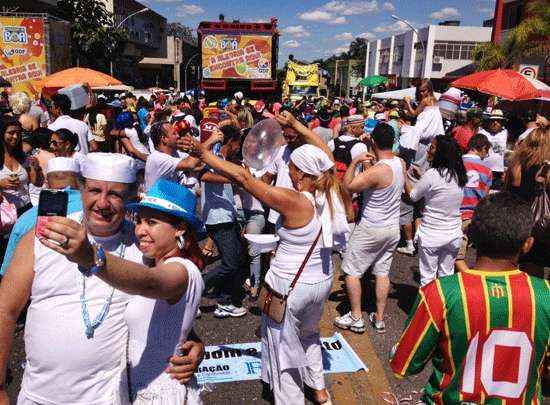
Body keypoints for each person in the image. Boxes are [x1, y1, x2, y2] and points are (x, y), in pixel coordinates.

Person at [0, 153, 204, 405]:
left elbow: (159, 295)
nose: (103, 203)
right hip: (39, 395)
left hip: (108, 398)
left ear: (130, 196)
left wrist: (190, 340)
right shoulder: (42, 236)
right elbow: (5, 310)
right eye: (95, 190)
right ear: (81, 189)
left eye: (115, 194)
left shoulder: (143, 245)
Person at [184, 133, 350, 404]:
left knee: (282, 351)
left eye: (291, 168)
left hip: (290, 287)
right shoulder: (332, 192)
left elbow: (244, 179)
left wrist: (205, 156)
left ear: (299, 173)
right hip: (321, 280)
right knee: (309, 335)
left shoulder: (296, 201)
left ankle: (291, 400)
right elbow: (326, 159)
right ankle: (319, 390)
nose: (289, 172)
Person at [390, 192, 550, 404]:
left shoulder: (441, 292)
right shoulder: (545, 293)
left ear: (471, 237)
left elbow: (404, 362)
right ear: (527, 244)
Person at [334, 123, 405, 334]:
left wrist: (355, 161)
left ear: (372, 141)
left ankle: (356, 317)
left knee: (351, 271)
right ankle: (380, 319)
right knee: (382, 272)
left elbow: (348, 185)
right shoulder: (400, 163)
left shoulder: (378, 170)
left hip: (372, 227)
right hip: (392, 227)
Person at [0, 157, 81, 277]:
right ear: (79, 182)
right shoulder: (96, 212)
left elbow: (7, 271)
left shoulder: (26, 220)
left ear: (46, 183)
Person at [405, 135, 467, 286]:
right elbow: (442, 189)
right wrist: (423, 177)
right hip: (453, 234)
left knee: (427, 278)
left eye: (432, 147)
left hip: (432, 234)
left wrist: (403, 175)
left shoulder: (432, 174)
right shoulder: (459, 174)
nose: (428, 150)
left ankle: (428, 309)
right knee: (446, 276)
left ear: (440, 153)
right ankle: (446, 307)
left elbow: (413, 196)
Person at [506, 126, 550, 277]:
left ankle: (533, 297)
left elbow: (511, 192)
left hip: (525, 222)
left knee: (530, 264)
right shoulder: (546, 168)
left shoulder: (517, 164)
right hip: (546, 223)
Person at [455, 134, 492, 273]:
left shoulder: (456, 163)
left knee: (454, 255)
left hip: (454, 212)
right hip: (472, 215)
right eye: (486, 151)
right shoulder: (487, 171)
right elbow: (485, 197)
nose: (485, 155)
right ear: (482, 148)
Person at [0, 119, 41, 216]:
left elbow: (36, 183)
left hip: (26, 208)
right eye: (11, 133)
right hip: (5, 213)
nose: (15, 136)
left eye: (18, 133)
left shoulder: (23, 157)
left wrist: (36, 169)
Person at [144, 122, 199, 191]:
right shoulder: (157, 158)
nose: (178, 136)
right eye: (174, 133)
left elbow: (198, 164)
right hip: (158, 201)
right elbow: (190, 163)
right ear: (164, 139)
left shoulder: (174, 153)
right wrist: (210, 141)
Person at [478, 109, 508, 190]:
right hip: (483, 169)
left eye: (498, 121)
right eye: (493, 120)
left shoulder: (505, 133)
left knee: (494, 196)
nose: (495, 123)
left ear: (502, 123)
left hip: (498, 172)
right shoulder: (482, 133)